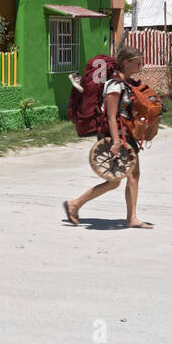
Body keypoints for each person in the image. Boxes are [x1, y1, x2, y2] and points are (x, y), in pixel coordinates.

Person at [64, 45, 153, 229]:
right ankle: (130, 218)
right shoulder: (114, 85)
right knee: (124, 178)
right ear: (126, 63)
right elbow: (111, 116)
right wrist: (117, 142)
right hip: (117, 136)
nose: (140, 66)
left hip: (125, 134)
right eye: (137, 63)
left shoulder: (126, 83)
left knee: (121, 179)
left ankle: (77, 204)